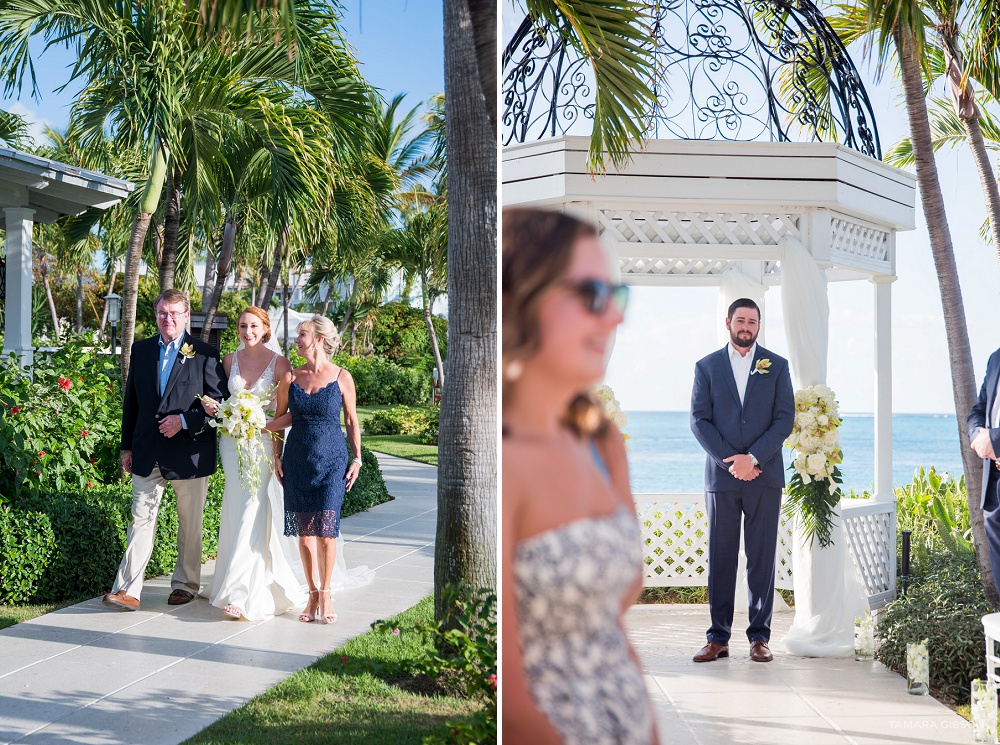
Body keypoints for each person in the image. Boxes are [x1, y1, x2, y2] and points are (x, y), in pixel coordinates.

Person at [502, 208, 659, 745]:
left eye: (619, 297)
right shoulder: (502, 462)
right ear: (523, 295)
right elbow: (510, 701)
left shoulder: (602, 442)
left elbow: (613, 632)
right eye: (593, 295)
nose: (614, 318)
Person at [103, 289, 228, 611]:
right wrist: (126, 447)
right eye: (162, 313)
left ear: (186, 316)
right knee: (140, 520)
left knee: (190, 524)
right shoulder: (141, 350)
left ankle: (185, 585)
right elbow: (132, 403)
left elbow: (219, 406)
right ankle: (128, 590)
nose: (167, 319)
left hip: (189, 454)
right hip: (147, 451)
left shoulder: (204, 354)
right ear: (156, 315)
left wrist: (184, 421)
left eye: (174, 313)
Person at [689, 298, 794, 663]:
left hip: (764, 476)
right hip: (722, 479)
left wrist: (753, 459)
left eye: (752, 321)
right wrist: (731, 461)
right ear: (728, 322)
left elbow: (784, 419)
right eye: (741, 320)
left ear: (759, 325)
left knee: (762, 558)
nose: (746, 326)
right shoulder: (707, 367)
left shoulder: (777, 366)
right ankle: (717, 638)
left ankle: (759, 638)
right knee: (722, 557)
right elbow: (699, 420)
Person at [196, 307, 308, 620]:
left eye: (254, 325)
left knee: (251, 508)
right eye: (243, 326)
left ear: (265, 328)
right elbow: (222, 402)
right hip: (231, 445)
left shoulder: (281, 365)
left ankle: (241, 593)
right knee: (236, 508)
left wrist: (276, 452)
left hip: (261, 446)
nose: (248, 331)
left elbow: (284, 414)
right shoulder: (229, 360)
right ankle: (231, 580)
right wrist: (219, 410)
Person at [270, 315, 364, 624]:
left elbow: (351, 420)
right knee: (305, 534)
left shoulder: (341, 377)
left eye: (302, 334)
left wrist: (357, 458)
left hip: (333, 461)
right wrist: (276, 455)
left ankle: (326, 593)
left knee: (326, 533)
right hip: (297, 460)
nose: (296, 340)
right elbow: (282, 418)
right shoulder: (292, 378)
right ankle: (311, 594)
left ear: (319, 339)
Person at [968, 348, 1000, 599]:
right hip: (995, 483)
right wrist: (978, 435)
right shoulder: (996, 357)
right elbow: (979, 409)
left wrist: (995, 440)